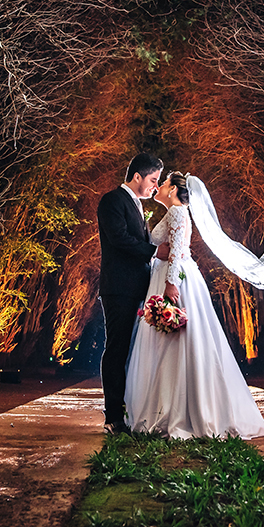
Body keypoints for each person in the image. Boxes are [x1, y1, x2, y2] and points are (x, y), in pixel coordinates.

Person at [125, 171, 264, 439]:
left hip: (176, 278)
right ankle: (166, 406)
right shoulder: (173, 212)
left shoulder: (179, 213)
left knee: (180, 342)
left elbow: (178, 252)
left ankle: (181, 410)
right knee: (166, 344)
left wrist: (171, 285)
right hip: (165, 275)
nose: (158, 186)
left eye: (164, 183)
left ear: (172, 190)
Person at [96, 152, 164, 434]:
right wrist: (156, 251)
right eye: (153, 179)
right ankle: (113, 416)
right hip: (119, 289)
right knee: (117, 349)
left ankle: (131, 411)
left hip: (137, 288)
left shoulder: (136, 204)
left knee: (132, 352)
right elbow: (120, 239)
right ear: (137, 176)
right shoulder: (112, 200)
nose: (155, 186)